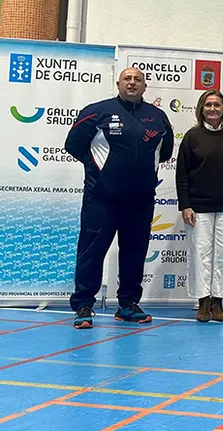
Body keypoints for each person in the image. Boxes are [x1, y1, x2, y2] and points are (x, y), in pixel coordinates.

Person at [65, 67, 174, 329]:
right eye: (128, 79)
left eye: (138, 79)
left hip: (140, 200)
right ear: (118, 83)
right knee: (92, 252)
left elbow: (166, 153)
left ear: (145, 87)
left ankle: (127, 305)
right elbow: (73, 144)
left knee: (134, 254)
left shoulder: (158, 117)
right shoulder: (97, 111)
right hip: (101, 199)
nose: (132, 83)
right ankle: (83, 305)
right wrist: (101, 173)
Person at [175, 90, 223, 322]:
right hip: (198, 206)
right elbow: (182, 175)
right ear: (201, 109)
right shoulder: (191, 137)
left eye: (217, 105)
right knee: (200, 254)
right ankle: (202, 302)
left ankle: (219, 301)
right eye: (208, 105)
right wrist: (185, 205)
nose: (212, 109)